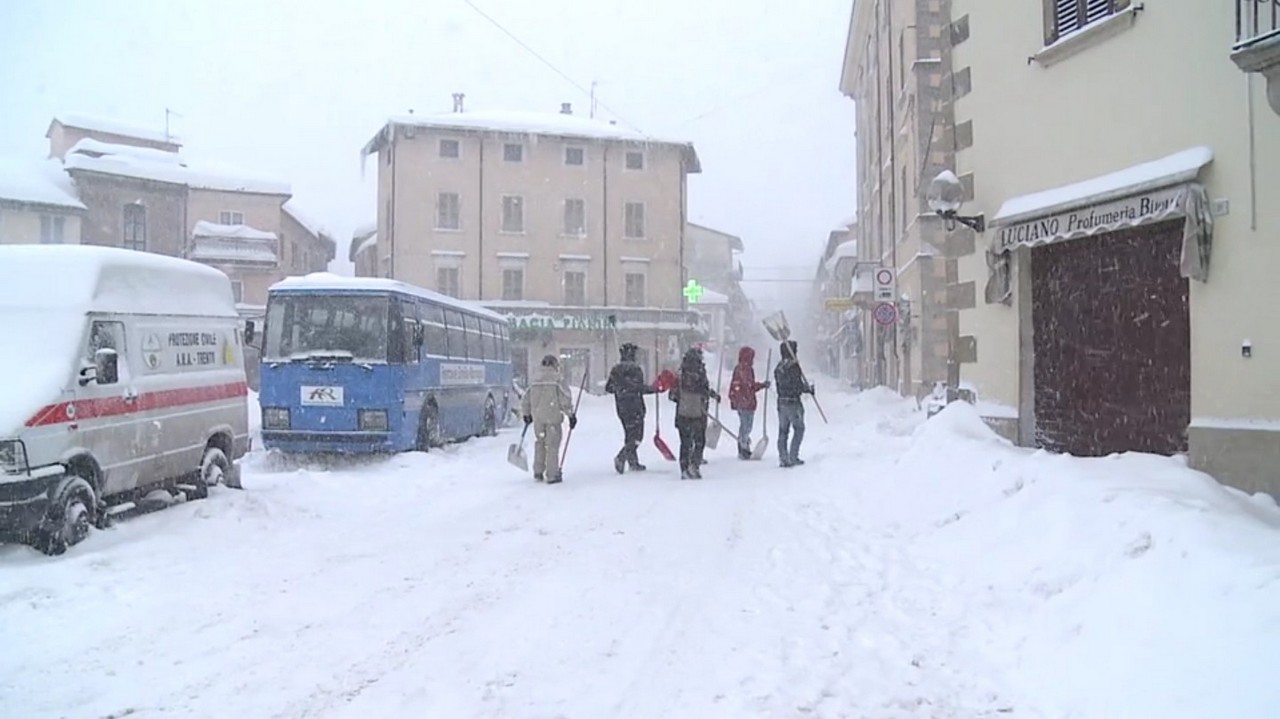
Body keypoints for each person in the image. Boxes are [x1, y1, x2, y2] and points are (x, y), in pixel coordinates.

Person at [521, 354, 577, 484]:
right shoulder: (557, 379)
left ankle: (538, 471)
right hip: (552, 417)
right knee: (552, 445)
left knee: (540, 442)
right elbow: (565, 399)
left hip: (538, 418)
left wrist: (526, 413)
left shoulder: (534, 379)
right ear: (554, 365)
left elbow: (526, 399)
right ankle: (552, 474)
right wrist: (571, 415)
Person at [605, 342, 657, 474]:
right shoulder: (636, 369)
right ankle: (621, 457)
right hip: (635, 407)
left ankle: (633, 462)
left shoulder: (616, 370)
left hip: (622, 407)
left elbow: (608, 388)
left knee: (629, 434)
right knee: (637, 436)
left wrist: (620, 389)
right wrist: (653, 389)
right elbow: (639, 388)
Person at [667, 346, 719, 479]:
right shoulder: (700, 372)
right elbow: (704, 390)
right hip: (698, 413)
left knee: (685, 442)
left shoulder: (681, 374)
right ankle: (695, 465)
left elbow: (672, 395)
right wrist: (713, 395)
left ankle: (684, 468)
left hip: (683, 414)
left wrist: (683, 399)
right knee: (699, 441)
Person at [774, 340, 814, 468]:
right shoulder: (793, 367)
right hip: (793, 403)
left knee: (783, 431)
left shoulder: (779, 368)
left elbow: (782, 385)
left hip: (781, 403)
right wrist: (807, 389)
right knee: (799, 429)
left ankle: (783, 458)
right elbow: (796, 386)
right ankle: (793, 456)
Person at [728, 345, 770, 460]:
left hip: (743, 402)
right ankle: (743, 447)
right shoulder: (745, 369)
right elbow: (749, 386)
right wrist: (762, 385)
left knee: (745, 425)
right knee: (746, 425)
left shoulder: (740, 368)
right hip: (746, 402)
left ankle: (743, 445)